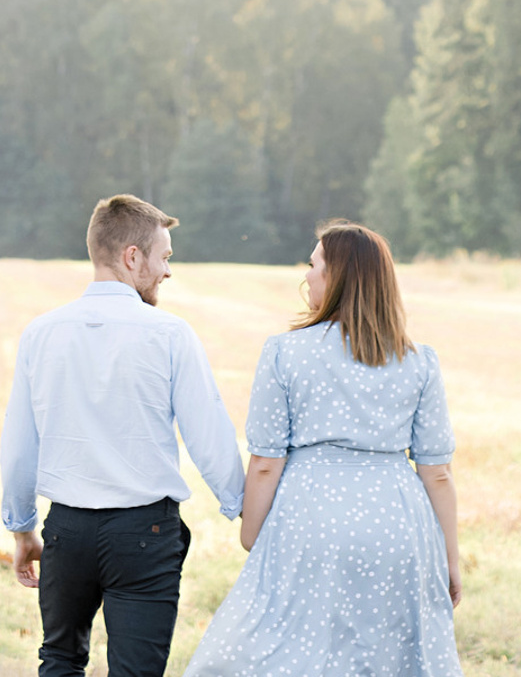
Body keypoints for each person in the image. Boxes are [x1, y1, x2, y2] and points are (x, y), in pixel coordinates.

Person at [184, 219, 463, 677]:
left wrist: (253, 532)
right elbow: (437, 471)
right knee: (386, 657)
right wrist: (448, 558)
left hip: (309, 518)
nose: (306, 277)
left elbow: (265, 465)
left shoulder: (285, 352)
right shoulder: (417, 361)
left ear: (336, 277)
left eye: (313, 265)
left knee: (287, 649)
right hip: (398, 525)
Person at [0, 194, 245, 677]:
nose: (168, 272)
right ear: (133, 256)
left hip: (66, 532)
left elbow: (18, 446)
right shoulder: (171, 334)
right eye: (165, 257)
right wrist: (244, 511)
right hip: (144, 534)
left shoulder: (41, 333)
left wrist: (22, 528)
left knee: (59, 661)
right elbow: (209, 437)